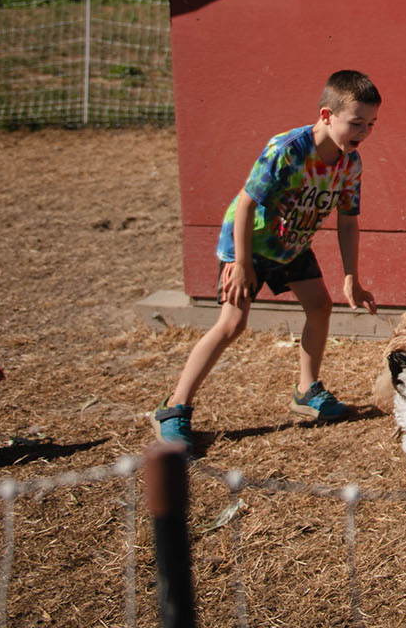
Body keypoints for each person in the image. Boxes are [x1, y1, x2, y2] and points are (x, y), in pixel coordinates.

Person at [154, 70, 381, 451]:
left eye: (371, 124)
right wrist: (241, 263)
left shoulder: (350, 164)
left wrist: (351, 277)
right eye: (356, 123)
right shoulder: (288, 149)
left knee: (320, 306)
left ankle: (307, 392)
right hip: (250, 244)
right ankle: (174, 408)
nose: (364, 132)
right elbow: (246, 204)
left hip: (291, 245)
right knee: (231, 324)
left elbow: (348, 221)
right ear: (326, 116)